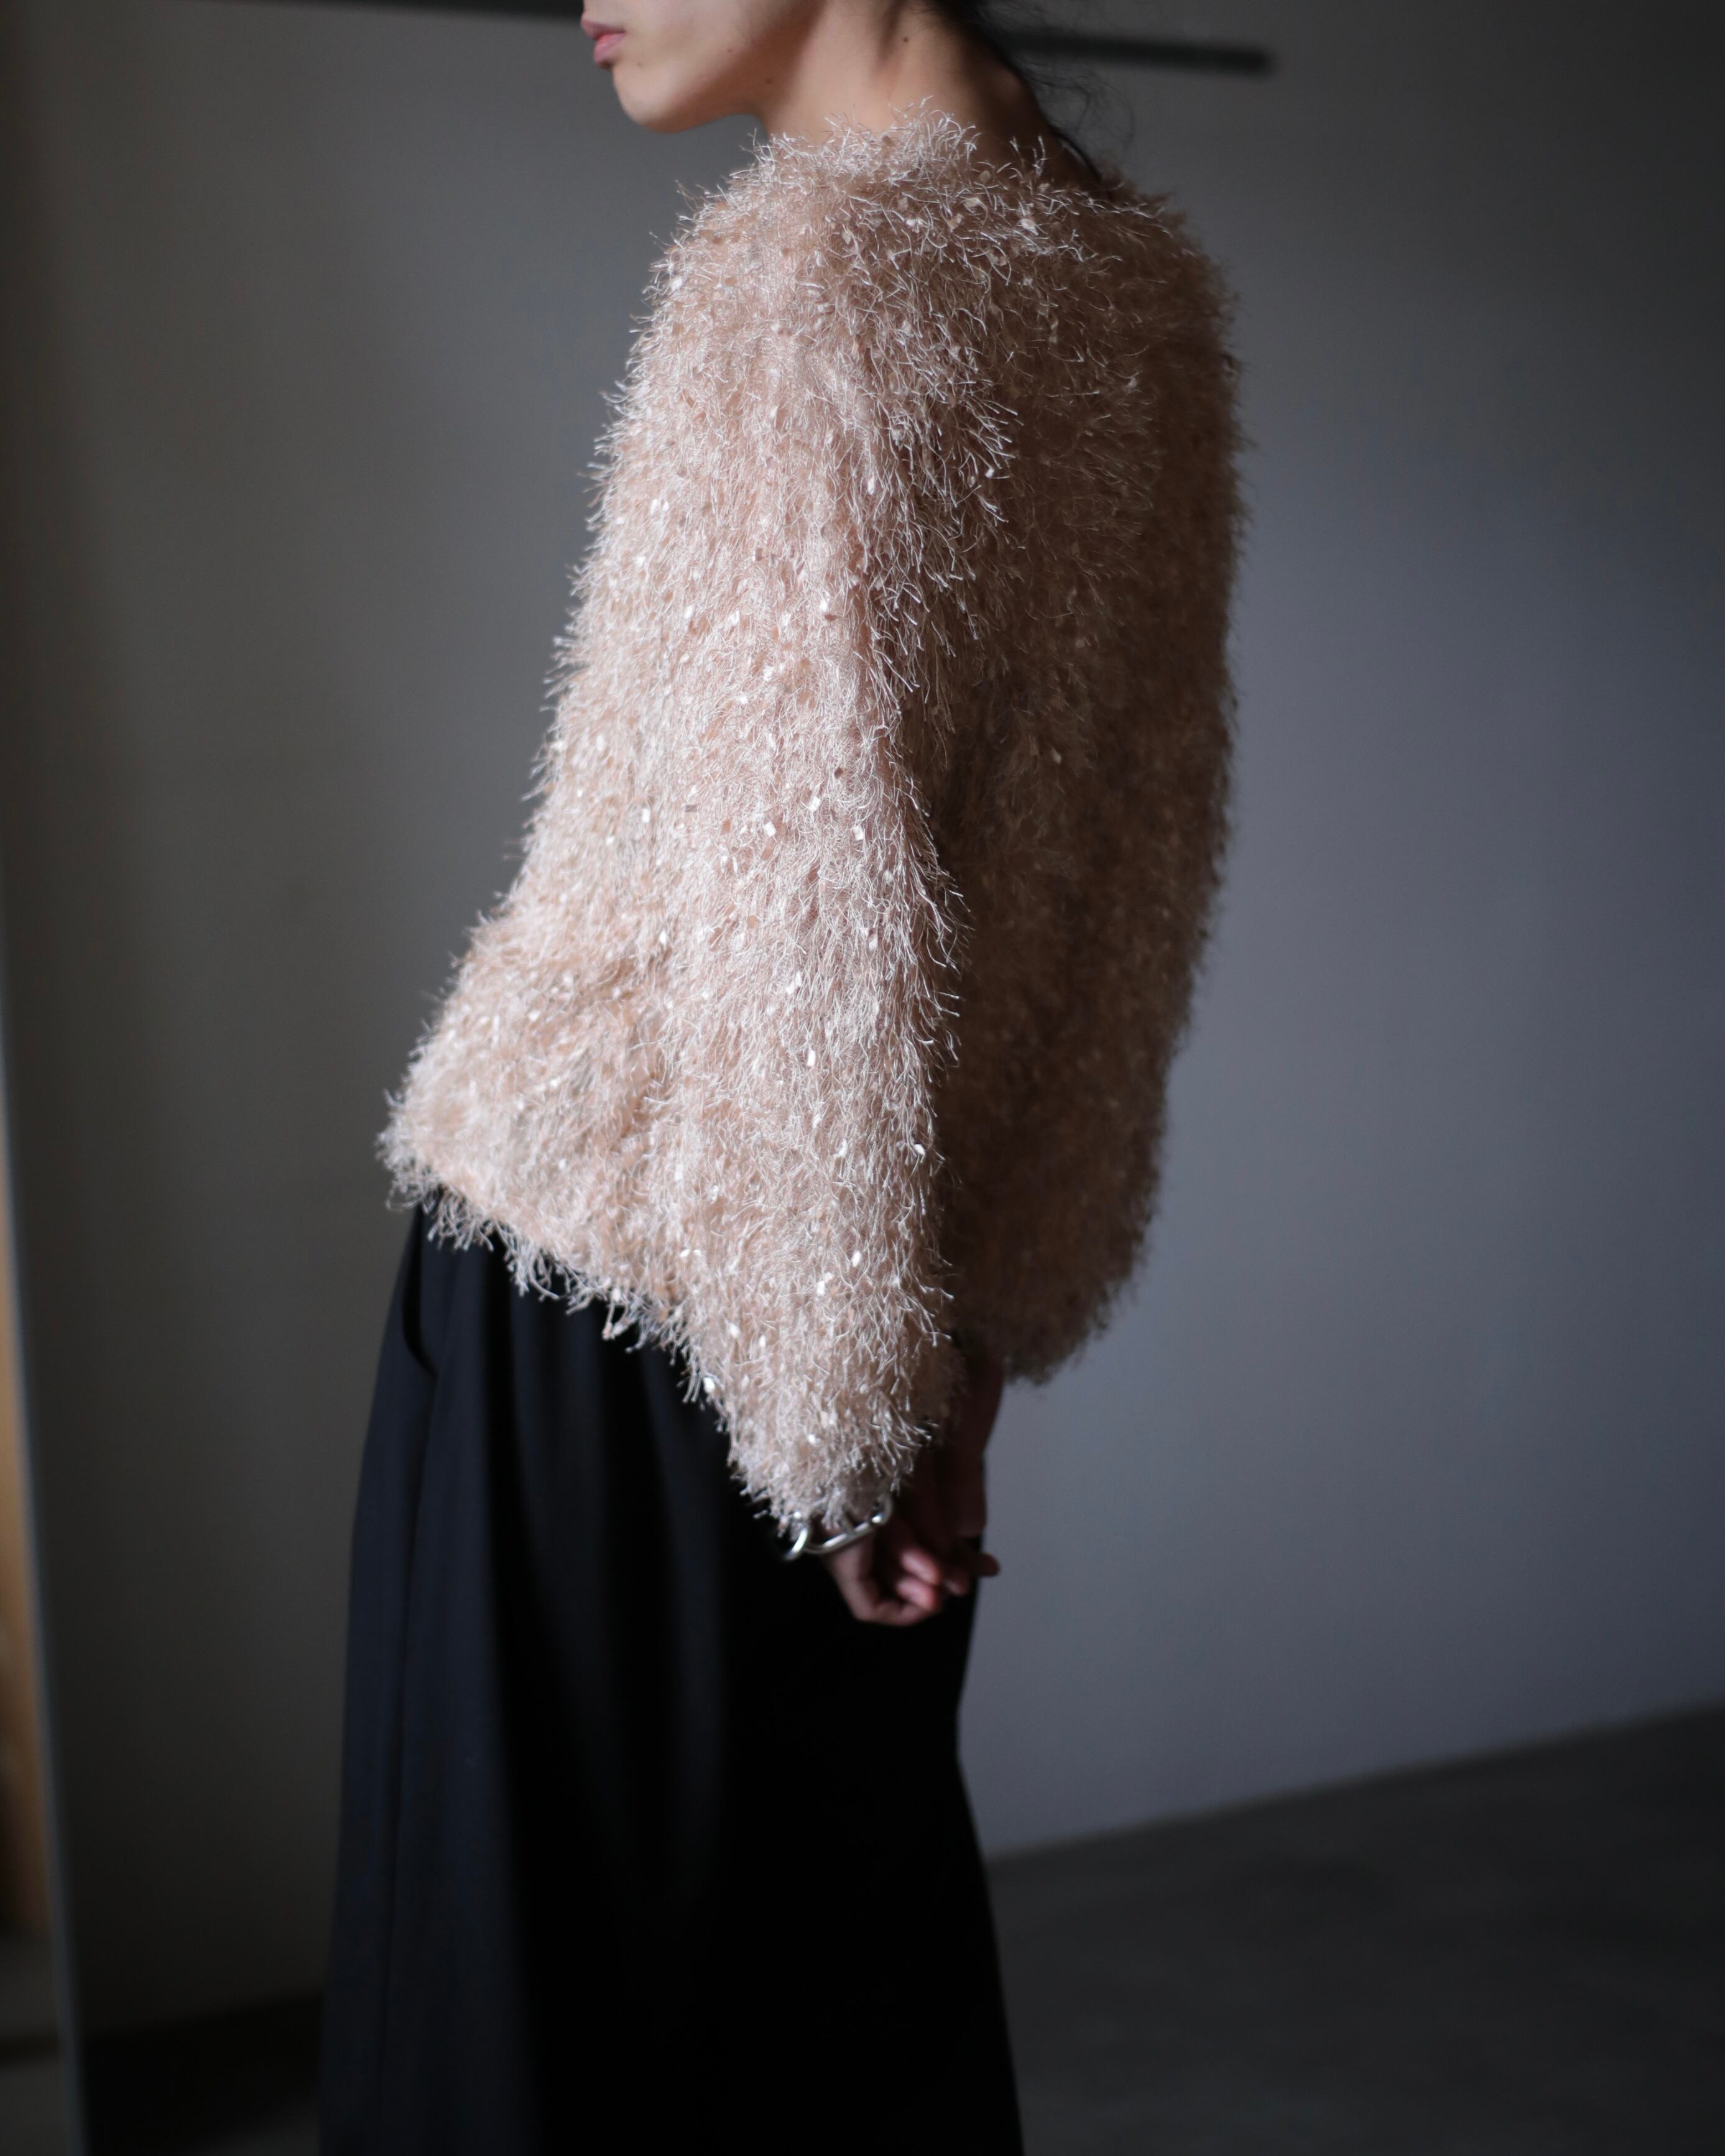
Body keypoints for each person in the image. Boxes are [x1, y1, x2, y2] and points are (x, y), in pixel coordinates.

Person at [320, 4, 1238, 2149]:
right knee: (826, 2020)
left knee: (542, 2047)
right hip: (864, 1305)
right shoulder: (1131, 290)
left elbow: (797, 898)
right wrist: (953, 1359)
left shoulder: (802, 277)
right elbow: (1125, 879)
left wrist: (831, 1426)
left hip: (622, 1303)